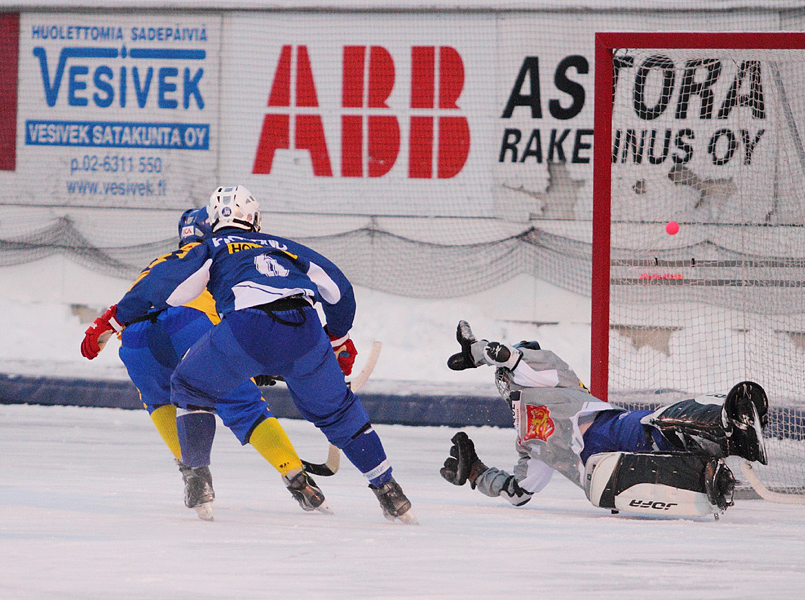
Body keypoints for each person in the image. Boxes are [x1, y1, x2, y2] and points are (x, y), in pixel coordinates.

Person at [81, 186, 416, 524]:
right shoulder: (285, 246)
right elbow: (339, 288)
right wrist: (338, 337)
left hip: (242, 328)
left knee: (188, 388)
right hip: (305, 330)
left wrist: (109, 320)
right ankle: (390, 491)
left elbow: (159, 286)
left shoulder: (210, 247)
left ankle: (197, 478)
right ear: (255, 219)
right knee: (339, 412)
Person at [81, 207, 328, 520]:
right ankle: (296, 476)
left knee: (160, 401)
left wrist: (106, 326)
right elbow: (245, 320)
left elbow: (137, 300)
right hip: (192, 325)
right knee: (245, 408)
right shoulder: (222, 255)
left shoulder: (164, 262)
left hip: (136, 342)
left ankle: (195, 477)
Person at [439, 321, 769, 518]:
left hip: (608, 456)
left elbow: (505, 355)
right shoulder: (527, 441)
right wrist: (476, 472)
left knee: (656, 426)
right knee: (654, 430)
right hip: (614, 458)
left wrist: (476, 351)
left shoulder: (552, 379)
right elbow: (519, 491)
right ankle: (714, 453)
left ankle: (725, 433)